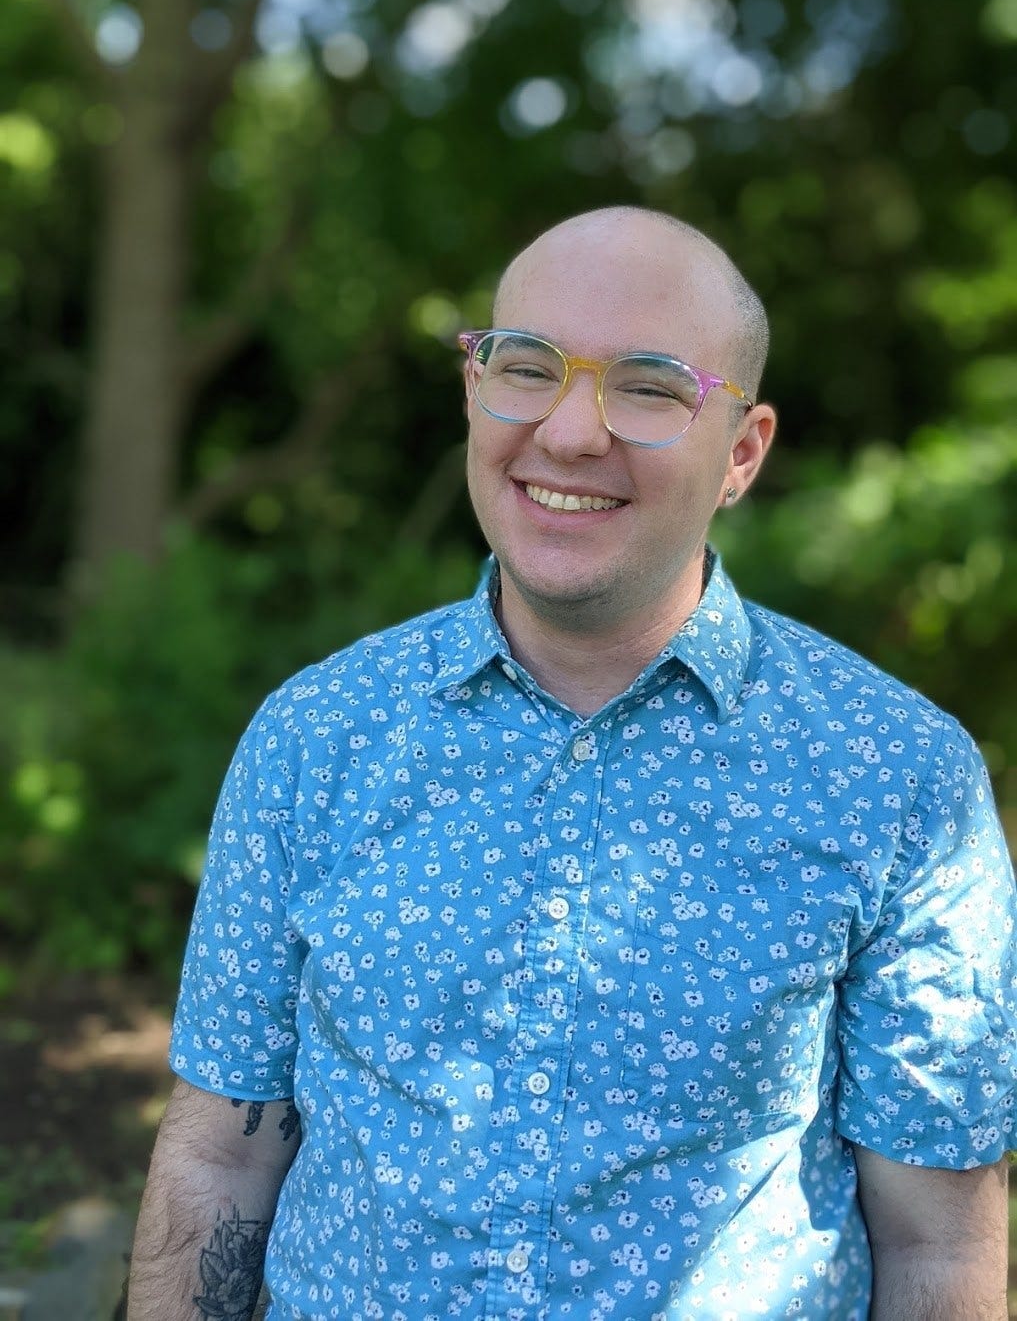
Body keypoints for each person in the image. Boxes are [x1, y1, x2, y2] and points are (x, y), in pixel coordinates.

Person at [127, 207, 1017, 1321]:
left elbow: (939, 1243)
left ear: (742, 452)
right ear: (472, 393)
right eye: (528, 367)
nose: (569, 431)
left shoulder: (899, 779)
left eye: (648, 387)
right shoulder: (314, 742)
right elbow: (219, 1163)